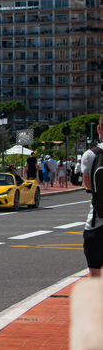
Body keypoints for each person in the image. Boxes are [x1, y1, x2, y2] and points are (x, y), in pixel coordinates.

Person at [81, 113, 103, 278]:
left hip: (97, 224)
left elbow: (89, 186)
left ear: (99, 128)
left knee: (95, 275)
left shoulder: (91, 155)